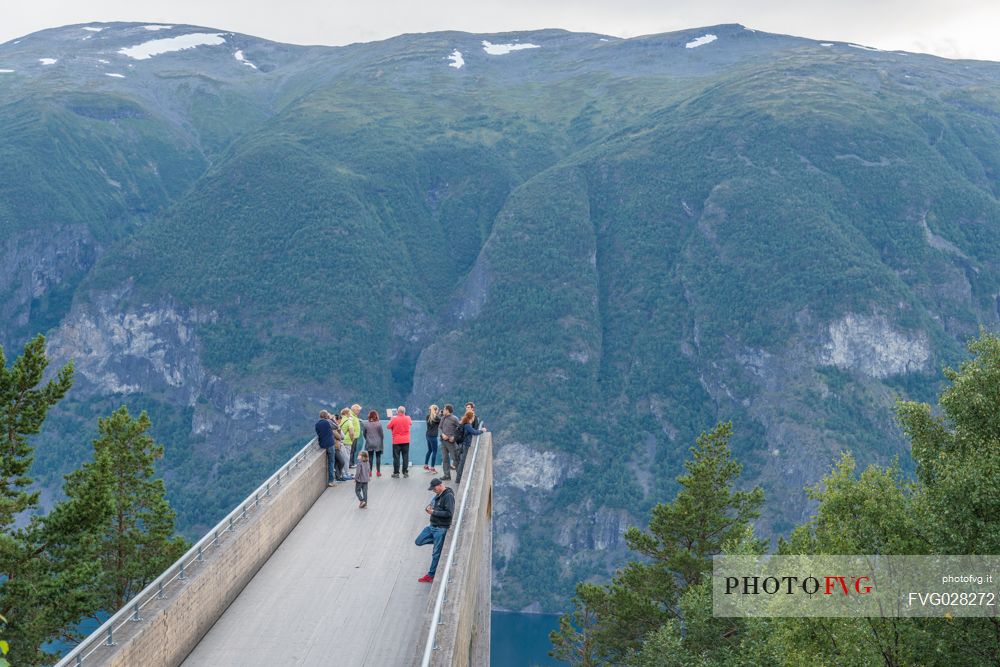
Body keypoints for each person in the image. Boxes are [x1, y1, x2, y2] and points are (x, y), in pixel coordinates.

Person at [415, 477, 454, 583]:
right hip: (432, 526)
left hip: (440, 528)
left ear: (440, 485)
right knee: (419, 541)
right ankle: (441, 543)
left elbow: (449, 514)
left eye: (434, 488)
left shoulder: (448, 496)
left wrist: (434, 512)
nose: (433, 490)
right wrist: (428, 508)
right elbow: (433, 505)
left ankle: (431, 575)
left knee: (436, 553)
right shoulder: (438, 495)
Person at [455, 409, 487, 484]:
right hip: (465, 444)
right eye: (473, 417)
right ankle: (458, 479)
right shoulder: (467, 425)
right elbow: (474, 432)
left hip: (463, 444)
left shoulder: (464, 423)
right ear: (471, 418)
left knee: (462, 461)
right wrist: (482, 430)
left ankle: (458, 478)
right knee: (462, 462)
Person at [386, 405, 412, 478]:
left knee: (396, 457)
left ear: (398, 411)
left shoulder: (394, 419)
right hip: (406, 440)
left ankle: (396, 473)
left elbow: (388, 426)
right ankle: (405, 472)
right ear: (404, 412)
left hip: (396, 441)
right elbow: (410, 423)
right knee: (405, 456)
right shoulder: (408, 418)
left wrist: (391, 419)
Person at [438, 404, 461, 481]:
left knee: (455, 458)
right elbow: (440, 427)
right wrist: (442, 434)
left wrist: (454, 437)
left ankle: (459, 475)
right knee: (445, 458)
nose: (443, 411)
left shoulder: (454, 419)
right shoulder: (443, 418)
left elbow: (460, 429)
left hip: (451, 442)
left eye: (444, 409)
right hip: (443, 442)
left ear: (447, 410)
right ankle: (447, 475)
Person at [314, 410, 337, 487]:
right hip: (330, 444)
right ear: (326, 416)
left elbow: (318, 433)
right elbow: (337, 427)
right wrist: (332, 419)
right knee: (331, 462)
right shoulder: (328, 422)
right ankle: (331, 481)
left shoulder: (317, 424)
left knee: (330, 462)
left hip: (322, 444)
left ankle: (331, 479)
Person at [361, 410, 384, 477]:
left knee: (370, 458)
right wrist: (381, 441)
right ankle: (378, 472)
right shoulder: (379, 424)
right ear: (376, 416)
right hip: (378, 443)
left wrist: (367, 439)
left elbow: (364, 434)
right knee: (378, 457)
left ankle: (370, 472)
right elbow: (381, 434)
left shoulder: (366, 424)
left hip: (369, 443)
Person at [331, 413, 351, 481]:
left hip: (338, 445)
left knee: (337, 462)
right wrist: (339, 429)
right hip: (337, 446)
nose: (339, 421)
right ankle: (342, 475)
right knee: (343, 460)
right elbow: (341, 436)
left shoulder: (335, 427)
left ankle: (339, 476)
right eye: (339, 420)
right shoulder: (334, 427)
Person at [424, 404, 441, 473]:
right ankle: (432, 468)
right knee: (434, 451)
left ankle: (425, 465)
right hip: (433, 436)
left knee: (429, 450)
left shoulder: (427, 416)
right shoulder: (437, 418)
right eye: (437, 410)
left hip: (428, 435)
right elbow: (441, 421)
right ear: (436, 410)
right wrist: (439, 415)